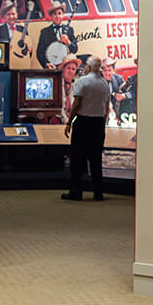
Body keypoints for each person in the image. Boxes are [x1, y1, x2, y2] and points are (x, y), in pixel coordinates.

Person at [63, 56, 112, 201]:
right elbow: (107, 108)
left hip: (83, 123)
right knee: (96, 159)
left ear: (89, 67)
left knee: (77, 159)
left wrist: (69, 122)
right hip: (98, 123)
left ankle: (76, 192)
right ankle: (98, 193)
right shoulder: (104, 84)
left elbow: (77, 104)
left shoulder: (82, 81)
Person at [36, 1, 78, 69]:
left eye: (59, 13)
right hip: (51, 67)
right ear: (51, 16)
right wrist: (46, 64)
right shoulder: (44, 32)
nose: (57, 16)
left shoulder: (70, 30)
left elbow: (75, 49)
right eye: (54, 14)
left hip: (66, 67)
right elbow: (39, 53)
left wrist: (68, 42)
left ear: (63, 15)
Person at [101, 58, 127, 123]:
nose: (107, 73)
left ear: (113, 70)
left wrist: (124, 95)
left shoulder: (119, 79)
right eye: (105, 71)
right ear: (102, 71)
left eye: (109, 70)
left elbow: (130, 93)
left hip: (117, 113)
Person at [59, 54, 82, 122]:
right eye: (68, 68)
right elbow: (60, 109)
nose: (70, 71)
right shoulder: (58, 85)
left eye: (73, 69)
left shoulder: (75, 85)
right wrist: (66, 121)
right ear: (63, 69)